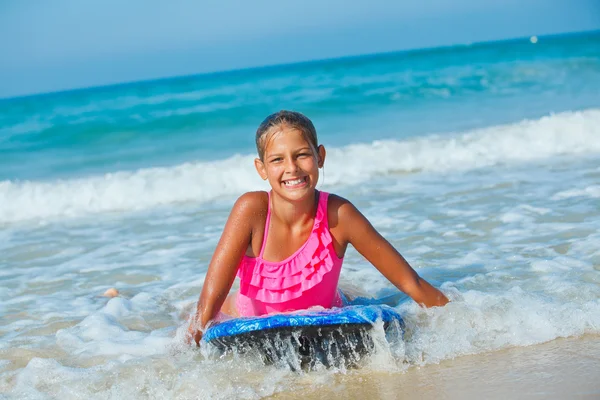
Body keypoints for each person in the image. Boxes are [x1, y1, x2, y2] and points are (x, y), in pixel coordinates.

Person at [188, 110, 448, 345]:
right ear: (262, 168)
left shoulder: (339, 215)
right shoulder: (251, 210)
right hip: (245, 319)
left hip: (326, 315)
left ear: (319, 156)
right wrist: (187, 355)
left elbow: (410, 282)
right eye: (277, 159)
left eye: (302, 154)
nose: (292, 168)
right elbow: (208, 306)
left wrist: (466, 326)